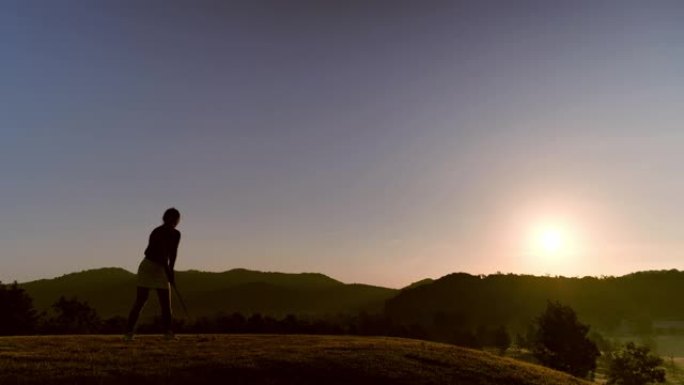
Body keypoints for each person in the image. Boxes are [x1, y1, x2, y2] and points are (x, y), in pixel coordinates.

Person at [124, 207, 181, 341]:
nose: (174, 221)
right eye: (173, 218)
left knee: (166, 303)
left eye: (176, 219)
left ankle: (168, 333)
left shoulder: (177, 234)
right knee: (141, 300)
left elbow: (173, 253)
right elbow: (160, 254)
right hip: (149, 266)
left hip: (162, 268)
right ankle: (128, 333)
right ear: (166, 219)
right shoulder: (157, 232)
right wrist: (168, 270)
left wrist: (171, 272)